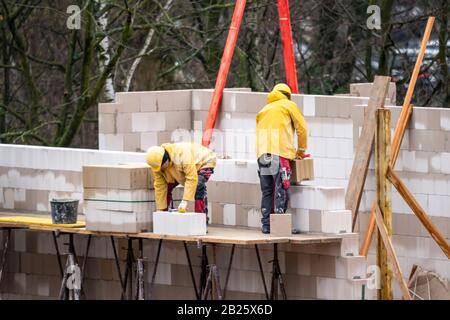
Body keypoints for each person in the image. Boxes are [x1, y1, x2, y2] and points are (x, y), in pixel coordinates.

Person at [256, 83, 308, 234]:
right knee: (282, 188)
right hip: (279, 153)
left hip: (262, 156)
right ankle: (281, 227)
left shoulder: (263, 110)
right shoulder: (288, 105)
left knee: (267, 191)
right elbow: (302, 128)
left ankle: (266, 225)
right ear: (288, 95)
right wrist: (301, 151)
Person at [145, 142, 216, 223]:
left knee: (198, 186)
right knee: (167, 187)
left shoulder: (181, 155)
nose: (160, 170)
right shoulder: (157, 166)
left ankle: (201, 222)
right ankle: (165, 219)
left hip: (204, 161)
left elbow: (191, 178)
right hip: (182, 168)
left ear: (166, 160)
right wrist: (160, 209)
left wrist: (185, 201)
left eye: (161, 167)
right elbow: (160, 186)